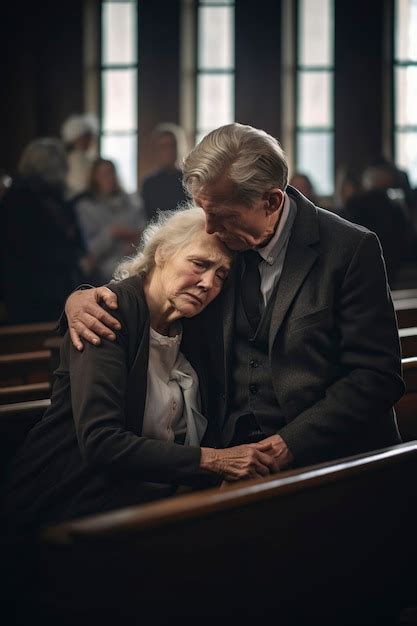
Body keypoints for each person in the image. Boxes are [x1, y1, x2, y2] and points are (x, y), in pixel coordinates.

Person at [64, 123, 404, 470]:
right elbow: (154, 279)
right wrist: (81, 297)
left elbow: (376, 376)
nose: (209, 227)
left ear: (271, 201)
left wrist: (291, 444)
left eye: (222, 215)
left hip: (329, 456)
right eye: (203, 209)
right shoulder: (225, 239)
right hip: (229, 453)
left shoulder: (349, 249)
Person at [2, 206, 281, 533]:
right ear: (162, 253)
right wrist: (217, 462)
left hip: (148, 501)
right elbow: (102, 442)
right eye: (199, 264)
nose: (209, 283)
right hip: (70, 503)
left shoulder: (193, 323)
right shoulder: (107, 314)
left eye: (220, 274)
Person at [0, 138, 88, 323]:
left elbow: (74, 238)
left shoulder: (57, 197)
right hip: (31, 286)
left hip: (55, 283)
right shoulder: (19, 197)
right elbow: (23, 245)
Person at [75, 158, 145, 283]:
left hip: (132, 261)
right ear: (95, 178)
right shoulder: (86, 207)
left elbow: (142, 229)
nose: (110, 178)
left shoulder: (129, 202)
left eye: (112, 173)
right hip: (103, 270)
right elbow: (89, 249)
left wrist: (130, 238)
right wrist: (111, 233)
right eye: (104, 174)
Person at [141, 123, 187, 223]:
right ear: (156, 150)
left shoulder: (188, 180)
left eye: (172, 146)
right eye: (164, 147)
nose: (169, 151)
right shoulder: (149, 184)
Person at [61, 113, 98, 198]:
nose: (91, 141)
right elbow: (80, 186)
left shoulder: (82, 157)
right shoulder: (76, 158)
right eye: (87, 137)